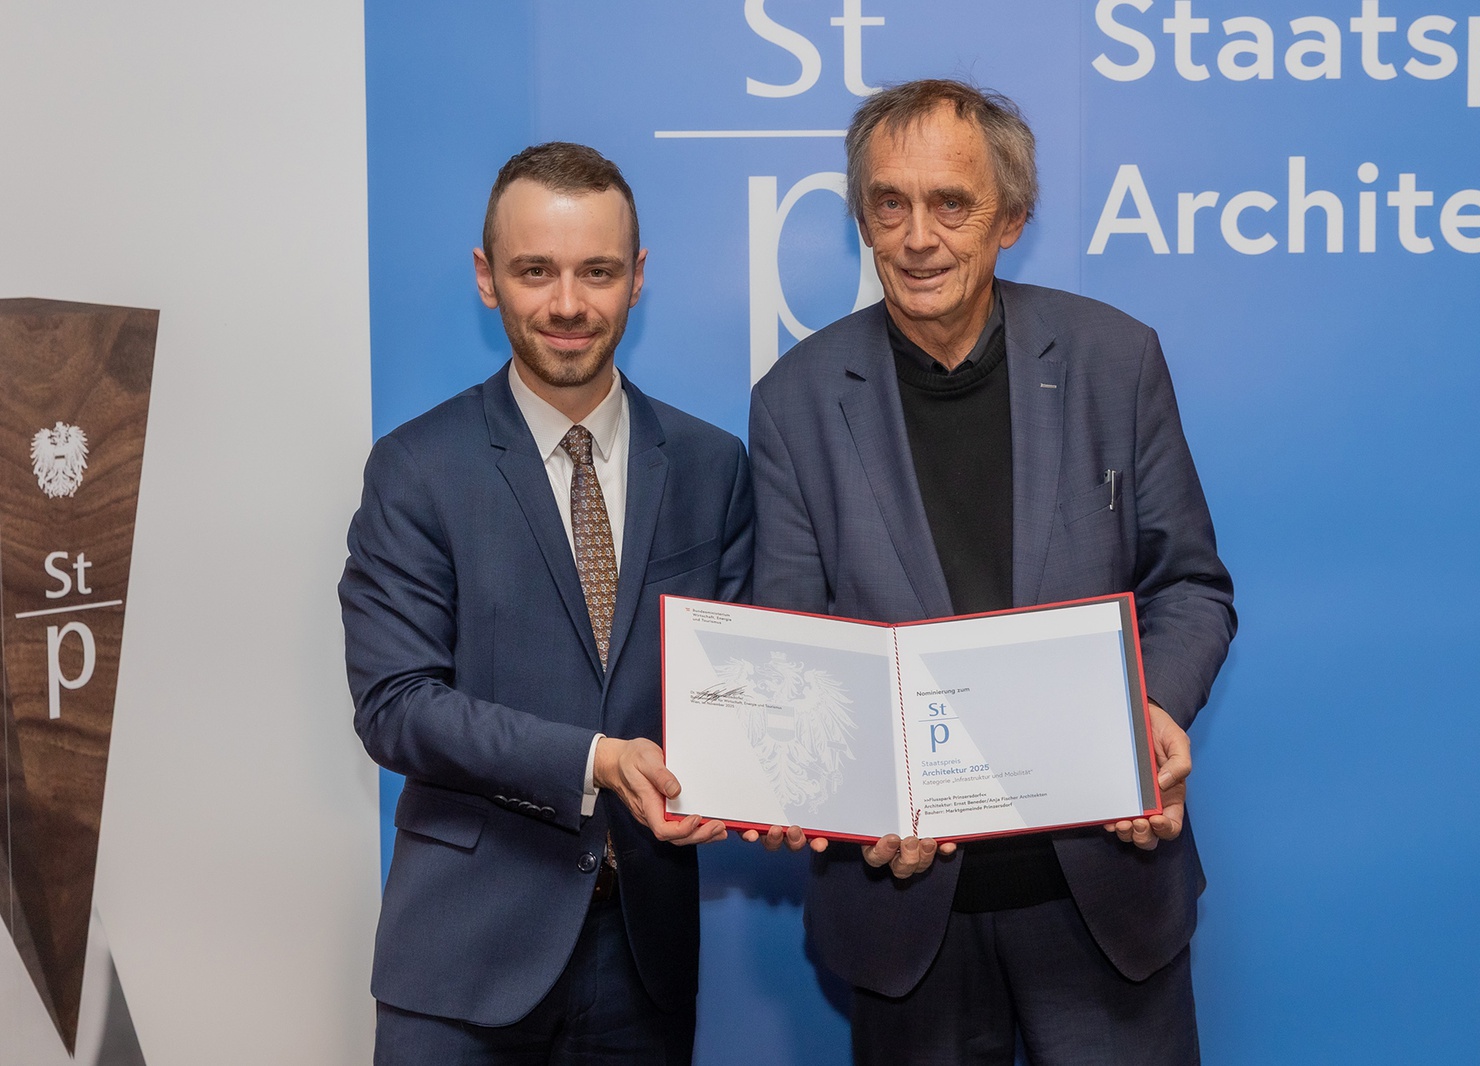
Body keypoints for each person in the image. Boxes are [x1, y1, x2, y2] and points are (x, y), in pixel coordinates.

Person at [747, 81, 1236, 1065]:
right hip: (905, 908)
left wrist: (1149, 716)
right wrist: (846, 792)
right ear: (862, 220)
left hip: (1103, 893)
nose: (917, 237)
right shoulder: (794, 400)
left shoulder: (1115, 359)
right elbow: (791, 651)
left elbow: (1189, 586)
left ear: (1010, 218)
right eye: (889, 203)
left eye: (951, 204)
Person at [339, 142, 752, 1065]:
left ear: (637, 277)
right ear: (488, 279)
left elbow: (739, 686)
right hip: (462, 964)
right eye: (536, 271)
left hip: (643, 959)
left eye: (597, 271)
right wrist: (595, 759)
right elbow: (397, 706)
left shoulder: (712, 466)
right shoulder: (416, 469)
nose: (568, 304)